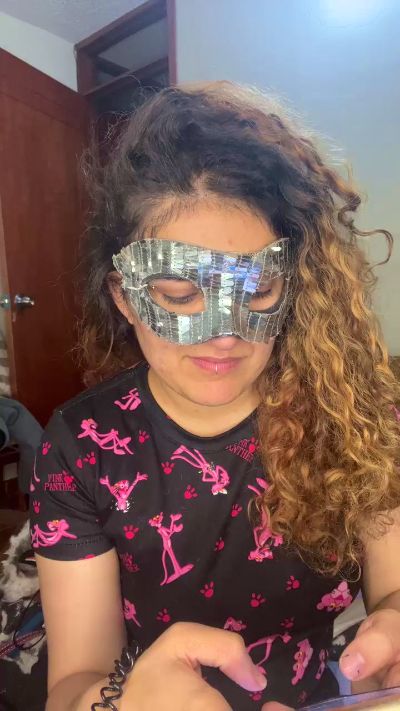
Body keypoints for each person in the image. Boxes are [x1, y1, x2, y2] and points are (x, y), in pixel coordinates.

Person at [30, 82, 400, 711]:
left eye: (256, 292)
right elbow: (73, 686)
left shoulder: (356, 416)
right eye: (179, 296)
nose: (225, 335)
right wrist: (120, 704)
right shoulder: (82, 447)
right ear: (125, 298)